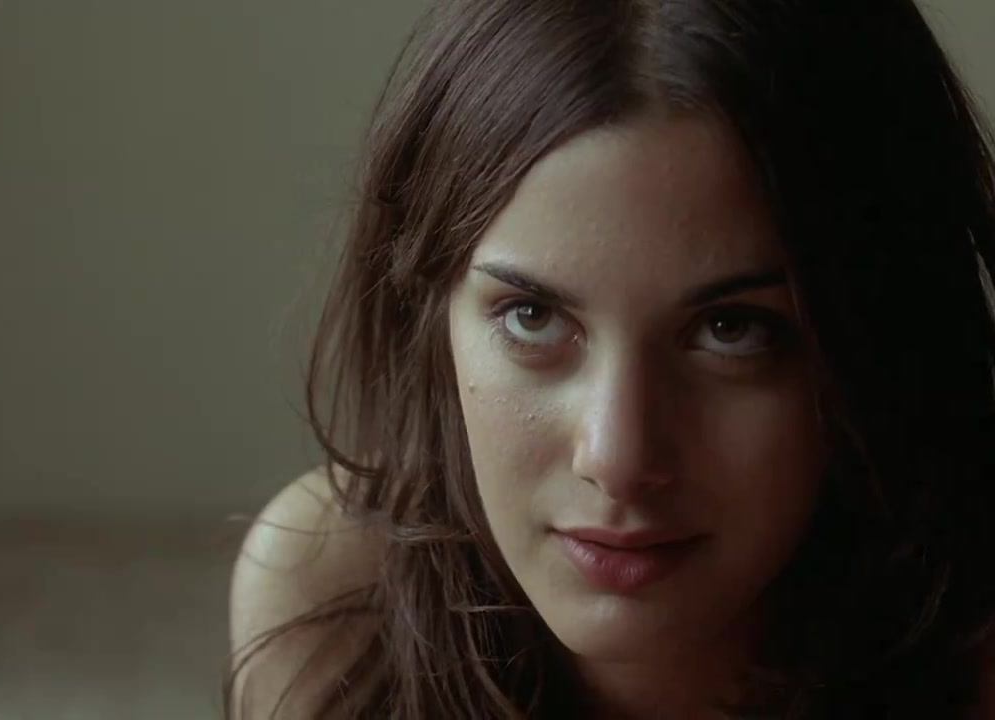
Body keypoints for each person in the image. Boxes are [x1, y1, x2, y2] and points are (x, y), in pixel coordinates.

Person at [227, 0, 995, 716]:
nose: (617, 458)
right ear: (431, 313)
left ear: (884, 334)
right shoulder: (337, 605)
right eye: (532, 317)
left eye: (731, 330)